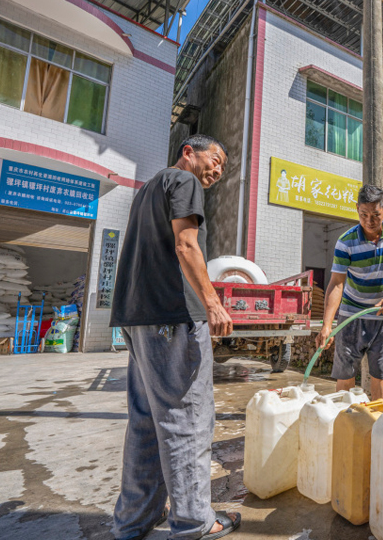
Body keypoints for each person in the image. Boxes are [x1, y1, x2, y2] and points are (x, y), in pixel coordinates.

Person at [109, 134, 241, 540]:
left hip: (138, 318)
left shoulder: (149, 188)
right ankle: (193, 522)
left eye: (223, 166)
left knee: (147, 422)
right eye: (214, 159)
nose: (217, 170)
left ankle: (135, 519)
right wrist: (213, 303)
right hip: (171, 316)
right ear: (188, 152)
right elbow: (187, 246)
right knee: (188, 421)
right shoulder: (183, 182)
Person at [316, 184, 383, 400]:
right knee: (345, 374)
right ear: (357, 210)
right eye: (363, 215)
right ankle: (343, 419)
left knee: (380, 376)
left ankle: (376, 423)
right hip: (351, 317)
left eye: (375, 215)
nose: (369, 221)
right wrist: (326, 325)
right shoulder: (346, 242)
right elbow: (336, 283)